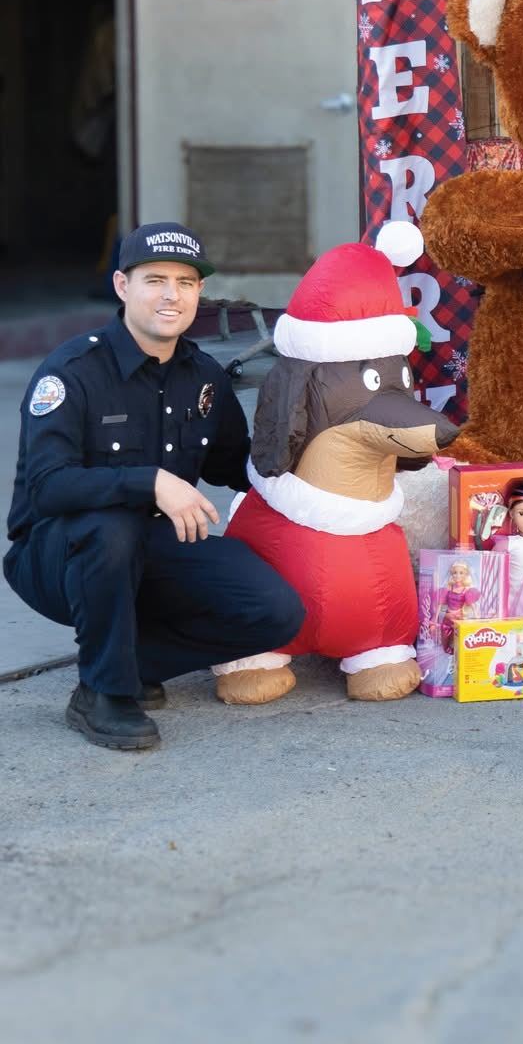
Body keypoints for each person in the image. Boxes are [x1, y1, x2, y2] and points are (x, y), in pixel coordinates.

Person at [4, 224, 304, 750]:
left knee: (276, 611)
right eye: (156, 280)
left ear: (199, 294)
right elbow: (46, 488)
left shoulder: (205, 377)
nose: (173, 295)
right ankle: (102, 694)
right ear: (122, 286)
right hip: (57, 555)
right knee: (111, 524)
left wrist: (335, 469)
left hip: (152, 548)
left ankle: (127, 661)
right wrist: (149, 481)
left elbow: (240, 469)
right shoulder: (72, 371)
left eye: (186, 282)